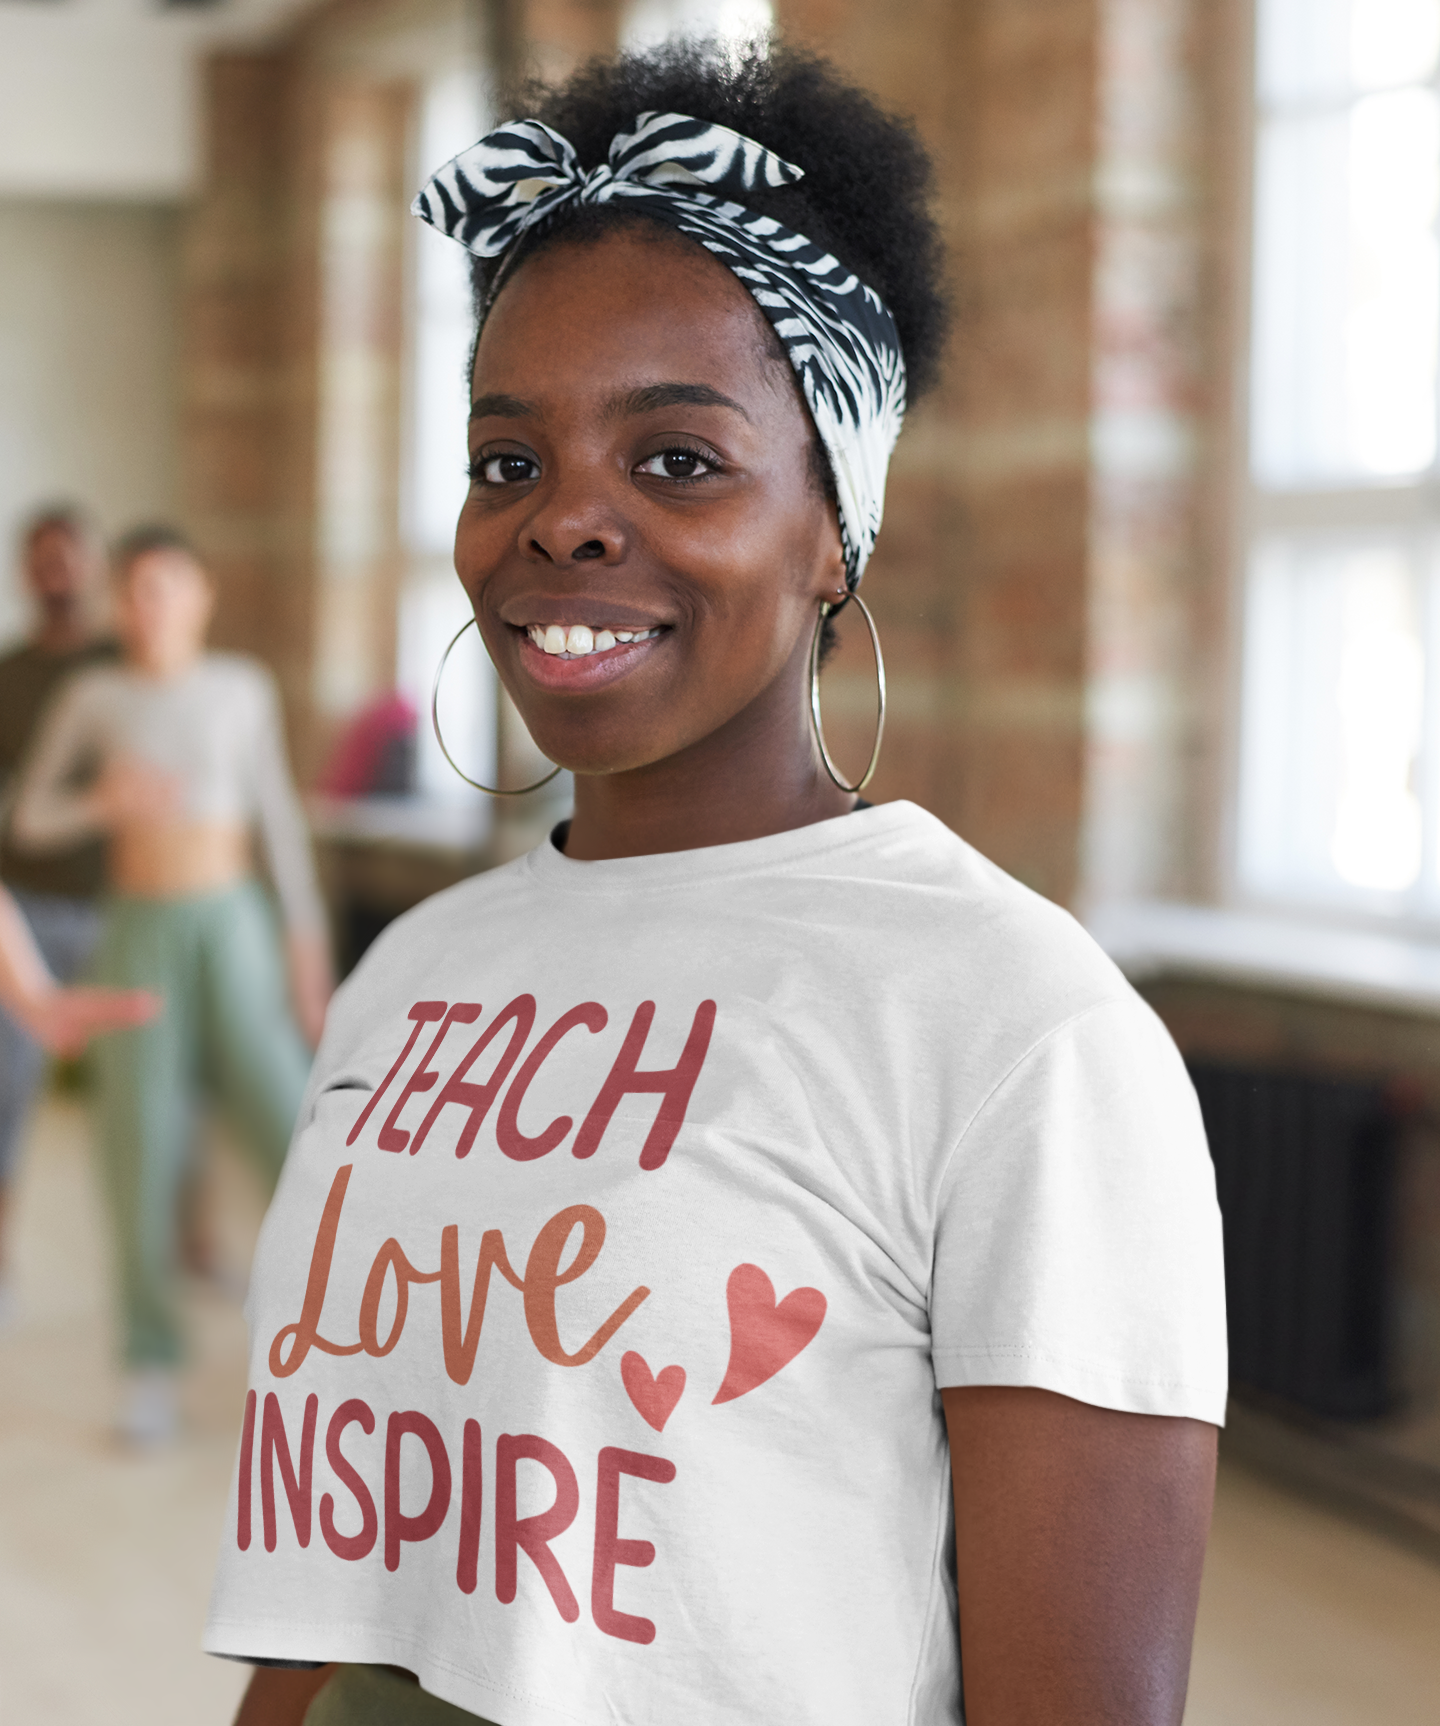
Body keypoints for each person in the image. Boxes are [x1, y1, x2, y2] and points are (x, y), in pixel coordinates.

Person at [212, 41, 1226, 1726]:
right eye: (508, 459)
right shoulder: (418, 973)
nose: (564, 524)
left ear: (836, 527)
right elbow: (347, 1581)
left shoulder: (1013, 1027)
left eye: (677, 459)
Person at [11, 526, 333, 1442]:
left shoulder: (240, 688)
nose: (148, 607)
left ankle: (331, 1344)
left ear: (201, 595)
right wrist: (100, 803)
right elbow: (30, 817)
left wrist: (307, 952)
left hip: (231, 920)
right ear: (120, 605)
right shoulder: (94, 693)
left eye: (165, 589)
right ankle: (148, 1361)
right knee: (135, 1146)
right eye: (134, 592)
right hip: (138, 927)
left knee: (291, 1129)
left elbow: (277, 819)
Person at [0, 505, 116, 1303]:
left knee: (163, 1094)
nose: (55, 572)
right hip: (26, 906)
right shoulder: (10, 673)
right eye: (40, 559)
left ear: (94, 564)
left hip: (123, 904)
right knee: (7, 1091)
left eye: (68, 556)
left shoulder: (125, 663)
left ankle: (195, 1248)